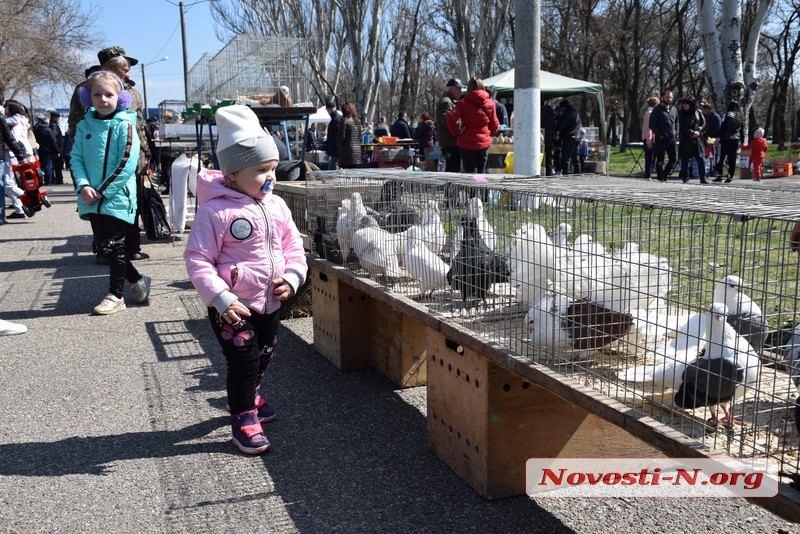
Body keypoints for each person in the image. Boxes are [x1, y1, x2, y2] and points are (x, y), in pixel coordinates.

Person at [184, 105, 308, 455]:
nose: (270, 177)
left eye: (273, 169)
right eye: (261, 170)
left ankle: (251, 393)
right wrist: (220, 298)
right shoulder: (216, 211)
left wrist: (293, 276)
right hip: (232, 306)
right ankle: (243, 418)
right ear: (234, 173)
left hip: (270, 299)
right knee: (244, 360)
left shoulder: (277, 206)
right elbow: (198, 259)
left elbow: (293, 247)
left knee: (265, 354)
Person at [71, 70, 150, 315]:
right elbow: (76, 158)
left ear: (121, 98)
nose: (103, 99)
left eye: (109, 94)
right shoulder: (84, 125)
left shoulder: (125, 125)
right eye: (97, 94)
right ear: (87, 98)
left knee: (115, 246)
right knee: (104, 247)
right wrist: (83, 185)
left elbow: (127, 162)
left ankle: (116, 296)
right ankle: (137, 280)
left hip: (116, 198)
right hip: (91, 199)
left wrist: (103, 191)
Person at [446, 76, 499, 175]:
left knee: (471, 172)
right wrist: (489, 134)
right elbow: (495, 124)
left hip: (466, 142)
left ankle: (473, 189)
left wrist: (457, 133)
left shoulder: (462, 103)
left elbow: (450, 118)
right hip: (484, 142)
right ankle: (482, 188)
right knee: (482, 171)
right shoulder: (491, 104)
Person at [3, 100, 34, 219]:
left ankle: (30, 199)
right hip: (15, 153)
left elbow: (13, 139)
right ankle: (19, 208)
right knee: (12, 183)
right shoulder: (19, 120)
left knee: (9, 184)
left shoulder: (16, 122)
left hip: (12, 154)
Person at [649, 89, 678, 182]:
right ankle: (660, 177)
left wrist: (676, 132)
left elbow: (676, 122)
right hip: (661, 139)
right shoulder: (657, 110)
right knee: (660, 160)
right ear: (662, 97)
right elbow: (652, 124)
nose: (668, 99)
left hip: (671, 139)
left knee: (673, 159)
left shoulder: (674, 109)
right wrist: (659, 135)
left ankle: (665, 175)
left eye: (670, 97)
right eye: (667, 97)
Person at [677, 96, 707, 184]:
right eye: (684, 104)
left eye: (687, 104)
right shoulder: (681, 114)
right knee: (685, 159)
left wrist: (699, 131)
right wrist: (691, 132)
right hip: (686, 138)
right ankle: (685, 178)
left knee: (700, 159)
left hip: (697, 139)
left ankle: (703, 178)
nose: (685, 106)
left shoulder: (698, 112)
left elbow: (703, 122)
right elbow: (681, 127)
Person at [436, 78, 463, 173]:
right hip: (450, 144)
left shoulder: (449, 101)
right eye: (458, 89)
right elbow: (448, 122)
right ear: (451, 89)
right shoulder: (446, 102)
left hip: (451, 144)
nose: (460, 91)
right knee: (452, 172)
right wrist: (461, 127)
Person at [714, 101, 744, 183]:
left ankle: (719, 175)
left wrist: (718, 138)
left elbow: (723, 127)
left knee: (721, 158)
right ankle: (731, 176)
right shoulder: (740, 116)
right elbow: (741, 130)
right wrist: (742, 141)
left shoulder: (727, 115)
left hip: (726, 139)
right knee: (732, 159)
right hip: (735, 140)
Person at [556, 99, 581, 175]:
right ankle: (578, 174)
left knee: (566, 158)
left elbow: (561, 126)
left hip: (569, 137)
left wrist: (559, 117)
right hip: (577, 137)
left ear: (564, 107)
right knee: (575, 158)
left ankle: (565, 174)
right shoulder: (576, 113)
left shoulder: (567, 114)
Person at [32, 114, 57, 186]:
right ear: (47, 123)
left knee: (39, 166)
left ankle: (39, 181)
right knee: (48, 166)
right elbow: (53, 141)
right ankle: (48, 181)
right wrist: (56, 150)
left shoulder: (35, 129)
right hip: (47, 151)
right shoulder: (48, 130)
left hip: (38, 150)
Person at [337, 101, 363, 169]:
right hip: (357, 154)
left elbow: (341, 138)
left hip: (347, 155)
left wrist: (339, 146)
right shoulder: (357, 121)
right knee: (356, 177)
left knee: (347, 178)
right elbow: (360, 137)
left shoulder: (344, 121)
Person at [700, 101, 721, 175]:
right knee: (709, 155)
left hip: (713, 139)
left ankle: (713, 169)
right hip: (708, 138)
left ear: (708, 109)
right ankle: (709, 168)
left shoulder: (715, 117)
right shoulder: (708, 117)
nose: (703, 111)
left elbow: (717, 129)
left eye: (704, 109)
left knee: (713, 155)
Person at [641, 96, 659, 180]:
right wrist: (649, 140)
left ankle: (649, 173)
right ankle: (647, 174)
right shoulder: (650, 113)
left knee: (652, 157)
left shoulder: (650, 112)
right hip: (650, 138)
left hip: (652, 138)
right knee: (649, 157)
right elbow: (648, 128)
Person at [324, 99, 341, 170]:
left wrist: (329, 151)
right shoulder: (339, 118)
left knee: (333, 169)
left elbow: (334, 137)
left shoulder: (335, 120)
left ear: (329, 109)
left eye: (327, 110)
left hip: (335, 150)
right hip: (337, 149)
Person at [49, 111, 65, 185]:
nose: (58, 119)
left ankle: (57, 179)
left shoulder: (54, 125)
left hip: (56, 149)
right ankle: (58, 180)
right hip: (56, 149)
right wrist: (57, 150)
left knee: (57, 165)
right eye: (57, 117)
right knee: (58, 165)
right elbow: (55, 138)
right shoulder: (53, 126)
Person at [542, 103, 557, 175]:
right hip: (550, 137)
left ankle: (543, 170)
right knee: (549, 155)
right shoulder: (552, 116)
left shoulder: (542, 114)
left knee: (542, 154)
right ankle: (549, 171)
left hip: (543, 136)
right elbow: (555, 125)